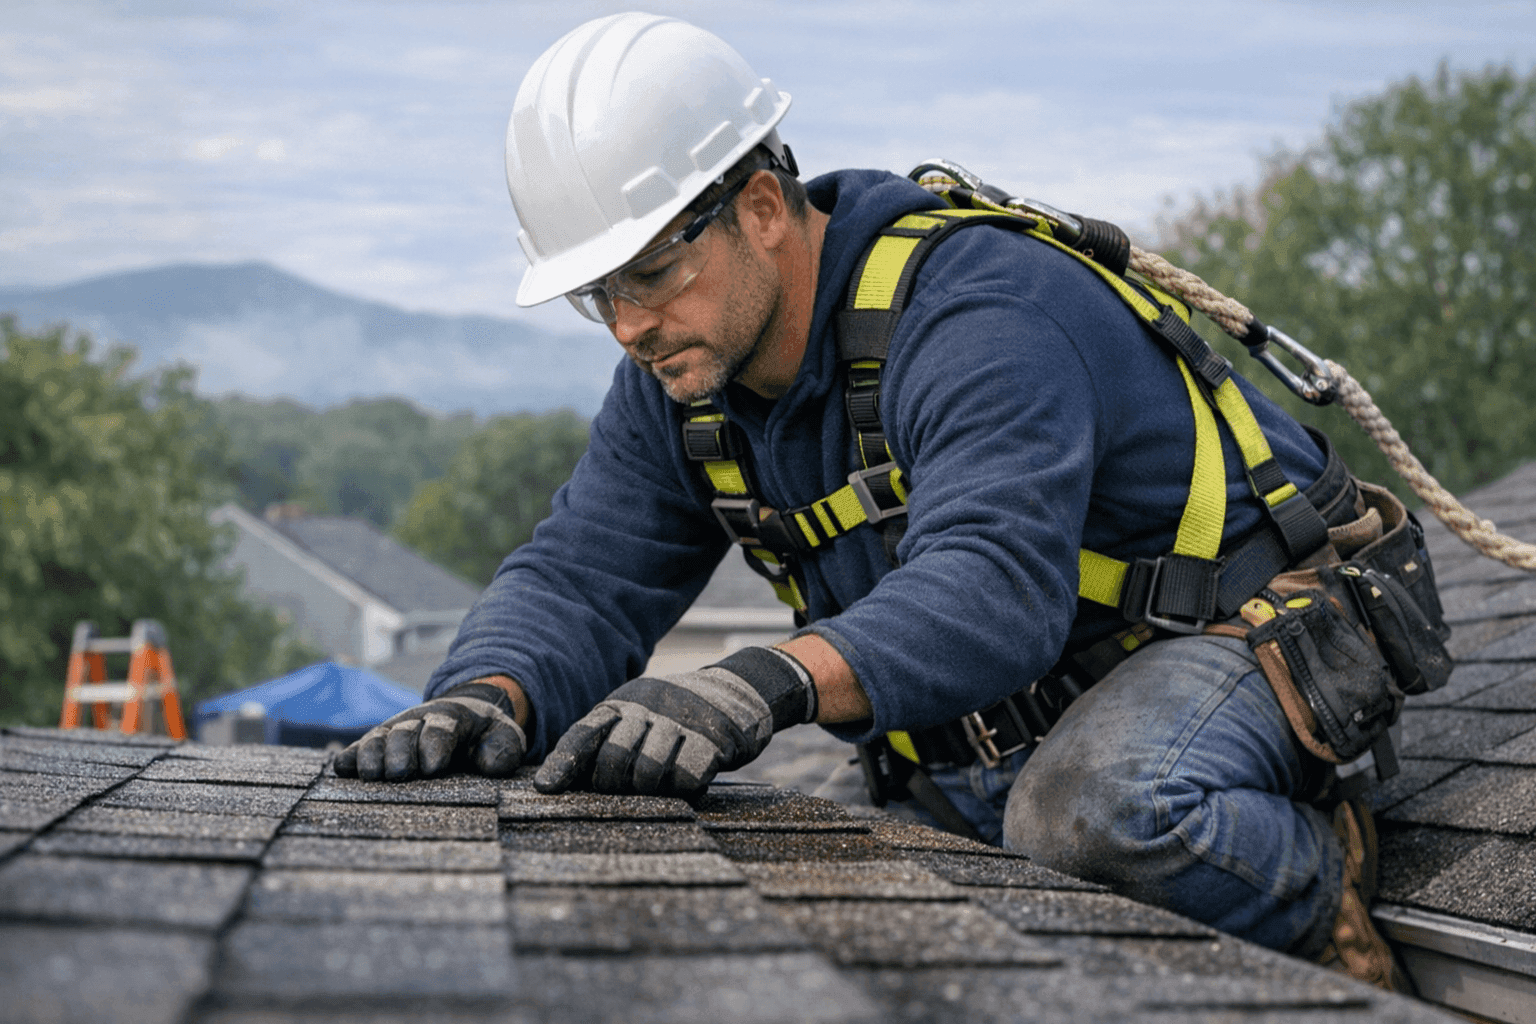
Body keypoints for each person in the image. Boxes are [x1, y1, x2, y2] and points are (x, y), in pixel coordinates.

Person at [335, 12, 1428, 991]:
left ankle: (1315, 888)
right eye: (598, 293)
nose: (628, 325)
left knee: (1094, 814)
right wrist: (486, 694)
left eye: (651, 273)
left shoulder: (978, 311)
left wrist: (757, 684)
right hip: (1016, 713)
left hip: (1239, 640)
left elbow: (995, 587)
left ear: (761, 207)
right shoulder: (684, 380)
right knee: (829, 887)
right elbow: (582, 574)